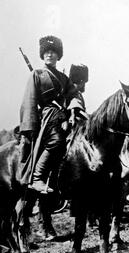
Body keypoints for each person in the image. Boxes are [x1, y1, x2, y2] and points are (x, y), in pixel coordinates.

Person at [19, 35, 79, 240]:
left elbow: (74, 95)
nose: (49, 54)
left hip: (62, 117)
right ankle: (36, 178)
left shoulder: (63, 78)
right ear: (42, 54)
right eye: (46, 52)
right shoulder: (36, 74)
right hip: (47, 118)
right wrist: (29, 129)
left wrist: (72, 110)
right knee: (55, 140)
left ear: (58, 55)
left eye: (53, 52)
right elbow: (29, 101)